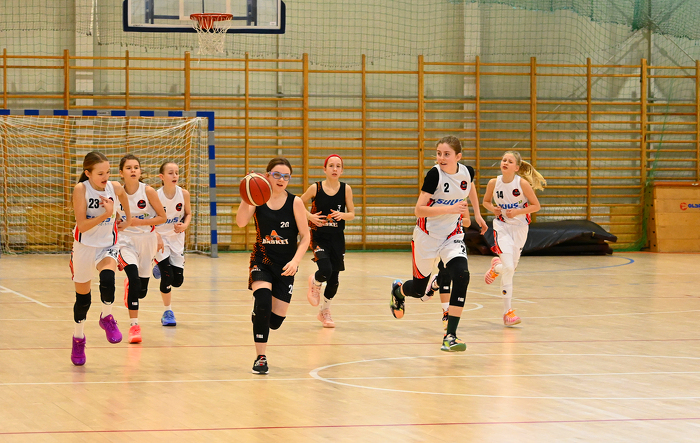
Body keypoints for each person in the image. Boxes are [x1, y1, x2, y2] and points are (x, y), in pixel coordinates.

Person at [389, 136, 487, 352]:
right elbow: (419, 210)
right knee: (418, 291)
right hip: (427, 236)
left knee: (462, 275)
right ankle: (398, 291)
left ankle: (450, 336)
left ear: (458, 157)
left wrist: (477, 214)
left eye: (446, 154)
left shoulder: (467, 172)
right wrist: (450, 209)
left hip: (452, 235)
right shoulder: (435, 175)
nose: (441, 158)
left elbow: (469, 186)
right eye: (439, 153)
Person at [236, 157, 311, 374]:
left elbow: (306, 237)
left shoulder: (295, 202)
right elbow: (241, 222)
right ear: (267, 176)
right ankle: (261, 357)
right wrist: (247, 195)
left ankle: (261, 317)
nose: (281, 179)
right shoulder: (257, 199)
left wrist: (296, 261)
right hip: (262, 261)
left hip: (286, 266)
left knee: (275, 321)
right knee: (262, 303)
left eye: (286, 176)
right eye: (277, 174)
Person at [70, 151, 132, 366]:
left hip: (107, 245)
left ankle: (107, 317)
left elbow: (123, 195)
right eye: (100, 173)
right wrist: (107, 214)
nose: (105, 177)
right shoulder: (81, 189)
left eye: (107, 172)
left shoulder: (114, 187)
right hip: (84, 246)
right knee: (83, 301)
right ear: (88, 173)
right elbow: (82, 225)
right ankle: (78, 338)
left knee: (107, 280)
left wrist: (128, 218)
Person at [482, 151, 546, 327]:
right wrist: (492, 209)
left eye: (510, 161)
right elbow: (486, 202)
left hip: (520, 228)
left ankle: (496, 267)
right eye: (504, 160)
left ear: (516, 167)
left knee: (511, 268)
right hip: (502, 227)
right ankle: (507, 313)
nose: (505, 163)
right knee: (509, 268)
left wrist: (518, 211)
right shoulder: (493, 183)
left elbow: (536, 206)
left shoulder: (522, 184)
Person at [116, 154, 166, 344]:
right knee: (134, 279)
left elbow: (162, 217)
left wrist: (138, 222)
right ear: (121, 173)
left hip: (147, 240)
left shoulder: (148, 191)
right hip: (125, 241)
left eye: (136, 167)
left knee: (141, 291)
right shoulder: (116, 192)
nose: (133, 170)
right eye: (129, 168)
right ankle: (134, 326)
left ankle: (130, 287)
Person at [300, 154, 355, 328]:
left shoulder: (346, 189)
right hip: (319, 237)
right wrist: (309, 216)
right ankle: (315, 282)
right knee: (325, 269)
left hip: (337, 238)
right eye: (331, 166)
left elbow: (352, 214)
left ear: (342, 170)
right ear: (324, 169)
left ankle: (324, 312)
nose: (335, 169)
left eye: (338, 166)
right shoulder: (315, 188)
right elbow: (297, 203)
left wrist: (343, 215)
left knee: (334, 280)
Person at [152, 161, 192, 327]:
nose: (175, 175)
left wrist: (185, 225)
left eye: (176, 172)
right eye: (170, 173)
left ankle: (159, 266)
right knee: (167, 276)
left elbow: (188, 214)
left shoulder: (184, 194)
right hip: (160, 239)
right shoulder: (155, 196)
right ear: (162, 177)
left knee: (177, 281)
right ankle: (167, 312)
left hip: (176, 238)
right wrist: (156, 235)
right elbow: (149, 220)